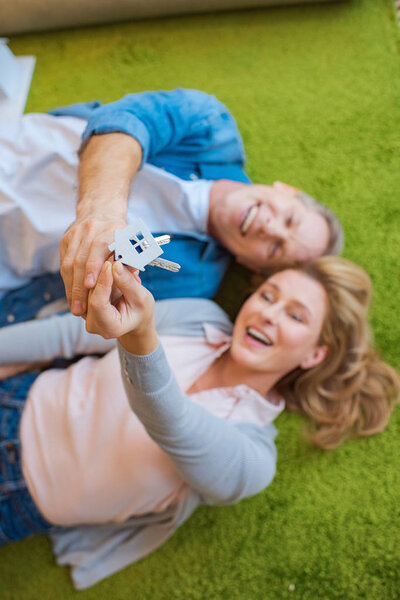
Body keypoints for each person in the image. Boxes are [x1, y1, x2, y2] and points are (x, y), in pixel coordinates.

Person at [0, 256, 398, 589]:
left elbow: (169, 422)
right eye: (267, 296)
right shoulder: (199, 317)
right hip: (16, 397)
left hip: (17, 498)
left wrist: (140, 335)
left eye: (295, 316)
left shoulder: (253, 459)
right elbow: (69, 335)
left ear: (314, 355)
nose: (268, 314)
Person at [0, 88, 343, 327]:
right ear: (286, 189)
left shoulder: (192, 284)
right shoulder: (211, 128)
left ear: (252, 265)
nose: (270, 227)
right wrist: (100, 214)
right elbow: (122, 124)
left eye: (275, 248)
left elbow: (84, 312)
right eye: (290, 218)